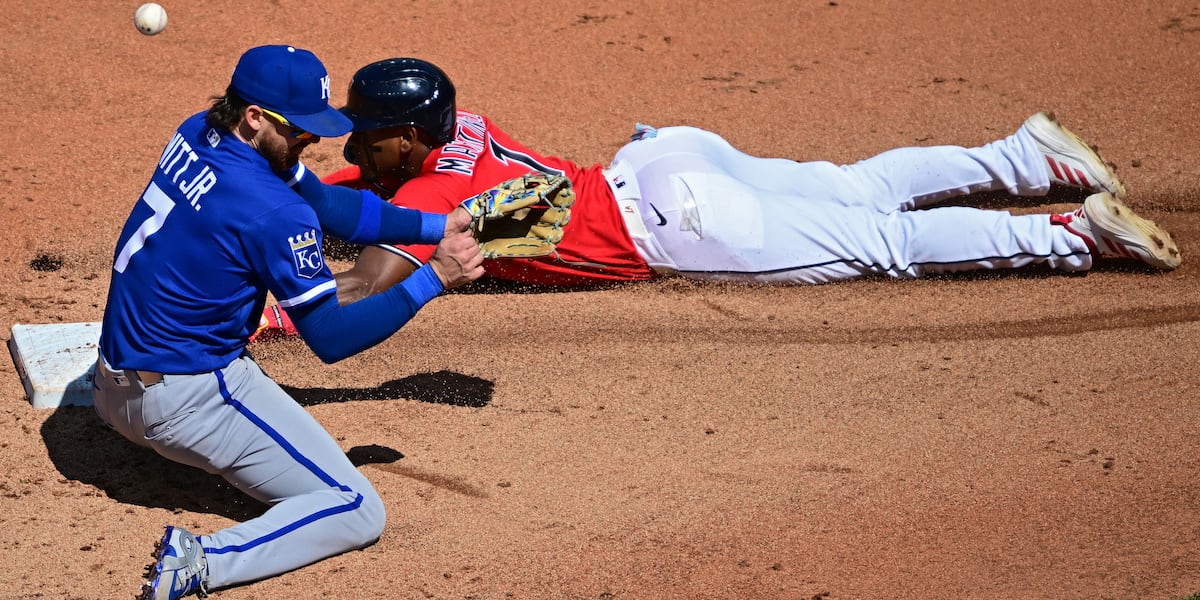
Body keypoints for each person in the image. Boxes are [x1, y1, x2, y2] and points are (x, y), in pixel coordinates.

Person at [251, 56, 1180, 338]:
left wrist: (283, 319)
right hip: (665, 160)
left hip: (679, 226)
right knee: (854, 183)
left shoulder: (424, 184)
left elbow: (373, 271)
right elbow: (348, 191)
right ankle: (1025, 158)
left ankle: (1071, 231)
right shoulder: (458, 127)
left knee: (880, 241)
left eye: (363, 132)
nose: (347, 140)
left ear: (407, 137)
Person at [92, 46, 484, 600]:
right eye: (299, 130)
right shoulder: (274, 211)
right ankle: (203, 560)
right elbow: (330, 337)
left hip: (111, 385)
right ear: (255, 115)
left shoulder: (201, 131)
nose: (312, 141)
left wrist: (439, 223)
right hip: (182, 403)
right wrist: (433, 280)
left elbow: (330, 206)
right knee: (354, 509)